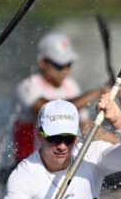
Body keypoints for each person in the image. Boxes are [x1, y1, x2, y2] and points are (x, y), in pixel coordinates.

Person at [12, 32, 113, 162]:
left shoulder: (71, 86)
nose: (65, 70)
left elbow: (85, 126)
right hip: (28, 161)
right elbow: (49, 111)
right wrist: (98, 92)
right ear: (42, 63)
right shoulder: (28, 87)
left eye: (69, 64)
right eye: (59, 65)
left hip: (58, 159)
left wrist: (119, 143)